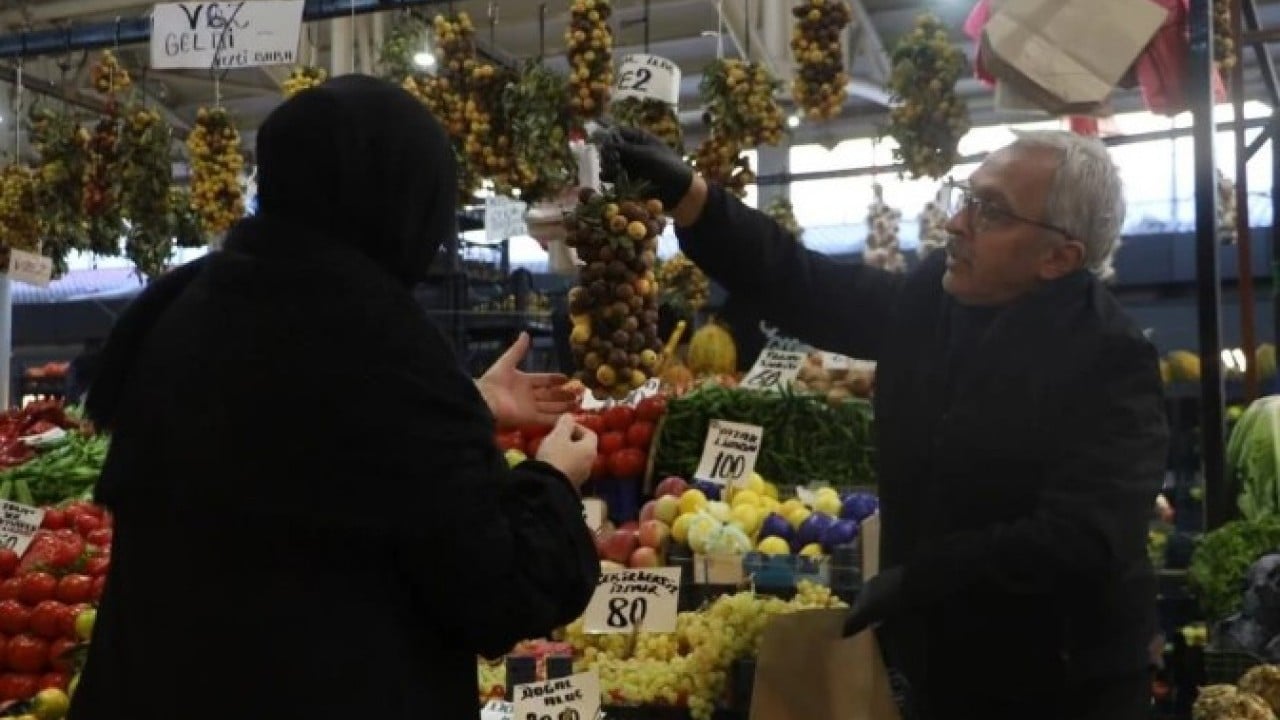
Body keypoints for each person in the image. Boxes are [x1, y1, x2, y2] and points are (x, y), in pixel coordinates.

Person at [71, 75, 600, 720]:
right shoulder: (384, 344)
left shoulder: (190, 306)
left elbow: (287, 445)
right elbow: (496, 594)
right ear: (406, 199)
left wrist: (465, 406)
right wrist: (553, 481)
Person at [596, 127, 1169, 720]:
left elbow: (1082, 537)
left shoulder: (1109, 357)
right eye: (964, 196)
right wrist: (694, 197)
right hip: (941, 668)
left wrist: (922, 578)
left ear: (1060, 257)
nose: (957, 223)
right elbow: (809, 286)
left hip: (1063, 684)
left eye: (991, 211)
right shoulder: (936, 298)